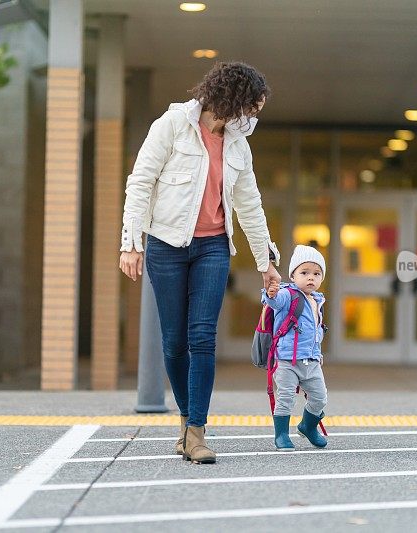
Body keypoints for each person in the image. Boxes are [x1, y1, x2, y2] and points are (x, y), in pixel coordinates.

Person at [118, 62, 282, 464]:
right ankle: (186, 422)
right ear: (233, 99)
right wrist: (131, 243)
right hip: (166, 245)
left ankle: (197, 431)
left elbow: (250, 205)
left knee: (202, 336)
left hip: (212, 248)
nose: (253, 118)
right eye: (252, 108)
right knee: (174, 342)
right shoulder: (172, 125)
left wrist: (266, 261)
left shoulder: (238, 146)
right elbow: (140, 181)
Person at [262, 245, 328, 451]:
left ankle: (308, 426)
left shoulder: (318, 300)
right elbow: (273, 300)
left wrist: (318, 354)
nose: (311, 278)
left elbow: (316, 332)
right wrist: (271, 293)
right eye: (304, 272)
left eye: (317, 273)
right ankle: (281, 435)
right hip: (286, 360)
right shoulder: (287, 294)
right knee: (285, 399)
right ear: (293, 275)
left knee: (319, 398)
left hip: (312, 360)